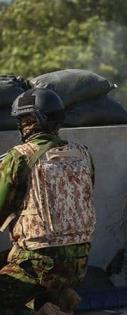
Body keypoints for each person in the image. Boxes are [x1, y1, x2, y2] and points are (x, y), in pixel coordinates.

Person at [0, 88, 96, 314]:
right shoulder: (83, 154)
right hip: (78, 264)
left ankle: (44, 308)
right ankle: (57, 296)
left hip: (38, 262)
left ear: (33, 120)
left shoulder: (19, 157)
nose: (21, 125)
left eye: (23, 119)